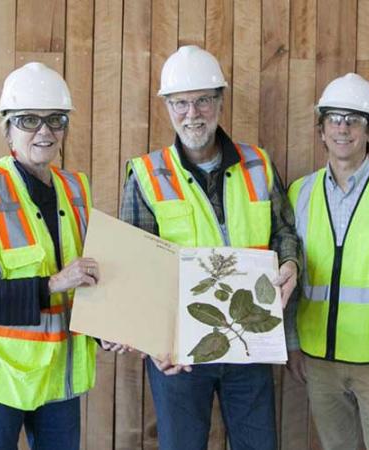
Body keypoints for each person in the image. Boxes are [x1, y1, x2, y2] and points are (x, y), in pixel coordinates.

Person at [120, 45, 301, 450]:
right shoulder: (147, 174)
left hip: (249, 340)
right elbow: (135, 268)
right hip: (179, 352)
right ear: (167, 107)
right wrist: (154, 341)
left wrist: (290, 263)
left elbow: (284, 232)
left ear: (219, 102)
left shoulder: (258, 164)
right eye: (181, 103)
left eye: (203, 100)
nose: (192, 113)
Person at [0, 62, 99, 450]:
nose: (44, 132)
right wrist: (52, 284)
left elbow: (88, 277)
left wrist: (111, 332)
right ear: (6, 127)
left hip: (59, 378)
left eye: (56, 120)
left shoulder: (76, 190)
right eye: (28, 120)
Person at [286, 73, 369, 450]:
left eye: (354, 119)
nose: (343, 128)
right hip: (319, 362)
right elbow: (292, 274)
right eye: (334, 118)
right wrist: (292, 341)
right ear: (321, 129)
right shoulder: (300, 192)